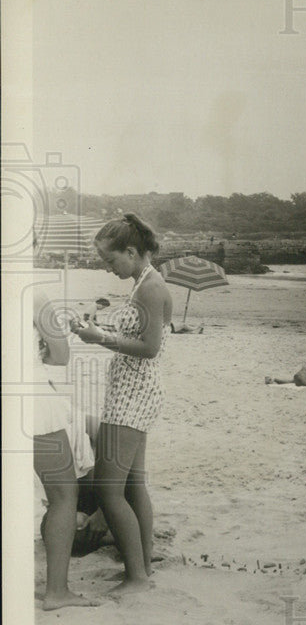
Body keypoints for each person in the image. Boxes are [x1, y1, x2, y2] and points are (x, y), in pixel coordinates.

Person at [71, 213, 172, 595]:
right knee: (133, 485)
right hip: (136, 390)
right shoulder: (144, 282)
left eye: (110, 260)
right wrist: (96, 331)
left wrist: (101, 339)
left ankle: (136, 578)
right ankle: (141, 565)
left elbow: (149, 347)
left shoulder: (149, 288)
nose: (108, 268)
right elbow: (139, 335)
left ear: (131, 251)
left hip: (132, 393)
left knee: (110, 490)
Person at [32, 289, 100, 610]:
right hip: (28, 398)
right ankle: (57, 591)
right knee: (62, 494)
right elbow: (60, 356)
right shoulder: (32, 294)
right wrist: (39, 351)